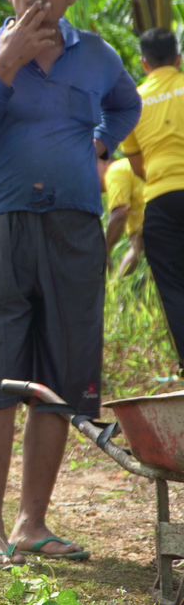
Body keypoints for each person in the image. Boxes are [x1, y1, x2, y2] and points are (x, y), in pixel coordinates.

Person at [0, 0, 139, 566]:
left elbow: (126, 103)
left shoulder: (98, 57)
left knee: (58, 379)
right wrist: (7, 63)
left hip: (74, 230)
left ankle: (33, 523)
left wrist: (103, 144)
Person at [122, 28, 184, 364]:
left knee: (174, 289)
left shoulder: (134, 101)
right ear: (178, 59)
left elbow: (136, 164)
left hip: (160, 199)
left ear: (145, 64)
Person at [103, 156, 145, 276]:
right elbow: (137, 247)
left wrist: (105, 252)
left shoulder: (116, 169)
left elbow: (120, 214)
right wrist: (118, 282)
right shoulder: (136, 166)